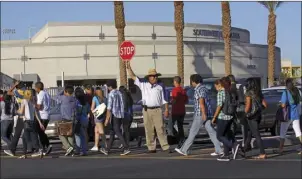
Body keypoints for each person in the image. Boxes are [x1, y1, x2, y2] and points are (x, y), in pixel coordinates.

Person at [126, 61, 170, 153]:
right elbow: (133, 77)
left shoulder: (160, 86)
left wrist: (166, 109)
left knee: (160, 129)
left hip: (157, 109)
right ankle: (151, 147)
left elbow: (165, 99)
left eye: (156, 76)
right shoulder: (143, 84)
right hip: (146, 110)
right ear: (149, 77)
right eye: (153, 76)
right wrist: (129, 68)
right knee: (149, 130)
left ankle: (165, 146)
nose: (155, 77)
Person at [175, 74, 222, 156]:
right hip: (207, 113)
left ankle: (184, 149)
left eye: (191, 81)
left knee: (193, 132)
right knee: (210, 130)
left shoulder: (198, 89)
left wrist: (203, 113)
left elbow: (201, 102)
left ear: (193, 81)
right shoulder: (204, 88)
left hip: (200, 114)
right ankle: (219, 149)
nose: (191, 83)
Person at [212, 78, 240, 162]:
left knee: (219, 136)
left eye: (216, 86)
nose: (215, 88)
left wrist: (214, 117)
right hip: (231, 116)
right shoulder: (230, 91)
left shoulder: (221, 93)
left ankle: (233, 146)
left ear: (219, 85)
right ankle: (226, 154)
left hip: (223, 116)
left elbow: (219, 105)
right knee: (226, 135)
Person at [103, 80, 130, 156]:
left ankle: (125, 147)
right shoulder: (119, 93)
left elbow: (109, 108)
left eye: (108, 86)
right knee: (112, 132)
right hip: (120, 115)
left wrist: (107, 119)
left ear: (110, 86)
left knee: (117, 131)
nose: (108, 88)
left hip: (114, 115)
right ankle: (107, 149)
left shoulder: (111, 94)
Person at [244, 78, 267, 159]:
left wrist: (245, 113)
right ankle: (245, 148)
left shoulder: (248, 93)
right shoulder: (259, 93)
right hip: (258, 115)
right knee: (251, 132)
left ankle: (262, 153)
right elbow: (265, 105)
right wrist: (259, 110)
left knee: (256, 134)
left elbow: (248, 106)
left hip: (251, 116)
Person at [18, 90, 44, 159]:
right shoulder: (32, 102)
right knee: (32, 137)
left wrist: (17, 110)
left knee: (27, 138)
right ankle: (25, 153)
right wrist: (40, 123)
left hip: (27, 122)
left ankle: (36, 150)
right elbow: (35, 114)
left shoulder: (24, 101)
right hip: (33, 121)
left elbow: (21, 112)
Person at [278, 78, 302, 154]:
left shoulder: (286, 92)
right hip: (296, 114)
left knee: (283, 132)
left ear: (286, 84)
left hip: (287, 115)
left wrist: (280, 104)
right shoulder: (297, 91)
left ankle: (281, 148)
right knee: (298, 132)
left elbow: (283, 104)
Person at [4, 81, 26, 156]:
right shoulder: (27, 92)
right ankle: (36, 148)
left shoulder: (18, 92)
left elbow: (8, 92)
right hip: (28, 115)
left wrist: (14, 85)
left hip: (21, 115)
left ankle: (12, 150)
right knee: (31, 132)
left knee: (17, 134)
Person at [56, 85, 76, 156]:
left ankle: (68, 147)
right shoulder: (74, 99)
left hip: (64, 119)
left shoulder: (64, 98)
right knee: (70, 135)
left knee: (61, 134)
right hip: (72, 119)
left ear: (66, 91)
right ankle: (72, 151)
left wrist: (63, 91)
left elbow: (57, 95)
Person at [34, 82, 52, 155]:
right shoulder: (46, 93)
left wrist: (33, 104)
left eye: (35, 87)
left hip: (43, 116)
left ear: (37, 88)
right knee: (41, 132)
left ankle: (46, 146)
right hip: (46, 115)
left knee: (40, 132)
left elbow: (39, 106)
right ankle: (45, 147)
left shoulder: (41, 94)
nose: (35, 89)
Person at [170, 76, 188, 148]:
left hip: (176, 111)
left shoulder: (175, 90)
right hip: (182, 111)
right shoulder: (183, 90)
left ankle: (179, 138)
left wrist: (170, 102)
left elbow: (174, 100)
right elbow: (186, 100)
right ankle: (182, 138)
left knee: (170, 126)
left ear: (175, 82)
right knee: (180, 126)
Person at [90, 87, 108, 152]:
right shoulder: (105, 98)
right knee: (96, 131)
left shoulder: (95, 98)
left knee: (101, 131)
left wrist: (93, 112)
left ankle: (106, 146)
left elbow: (92, 108)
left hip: (97, 116)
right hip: (103, 116)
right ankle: (96, 145)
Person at [74, 89, 90, 156]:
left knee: (79, 135)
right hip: (85, 119)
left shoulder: (77, 102)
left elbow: (77, 112)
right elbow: (88, 111)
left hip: (79, 120)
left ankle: (82, 150)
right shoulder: (86, 103)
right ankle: (81, 149)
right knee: (83, 135)